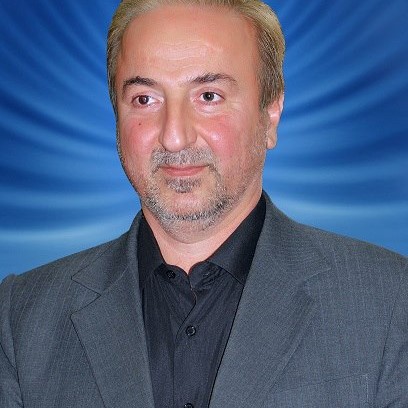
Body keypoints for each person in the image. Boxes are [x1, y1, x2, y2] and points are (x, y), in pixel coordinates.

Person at [0, 0, 406, 406]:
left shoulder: (390, 301)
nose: (174, 136)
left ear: (270, 115)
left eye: (209, 96)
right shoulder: (20, 319)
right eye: (144, 99)